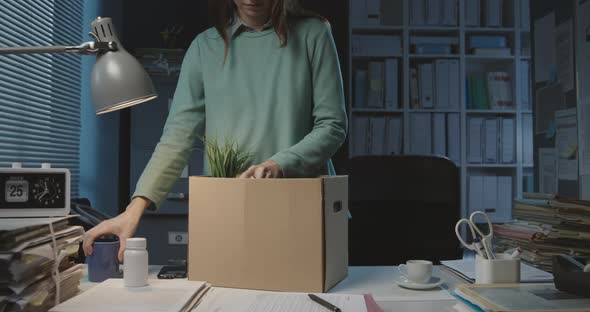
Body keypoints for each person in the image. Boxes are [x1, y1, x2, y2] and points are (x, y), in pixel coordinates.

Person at [83, 0, 347, 261]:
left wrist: (279, 164)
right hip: (230, 213)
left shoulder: (314, 33)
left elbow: (332, 125)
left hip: (301, 211)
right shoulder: (204, 47)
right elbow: (177, 136)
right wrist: (134, 208)